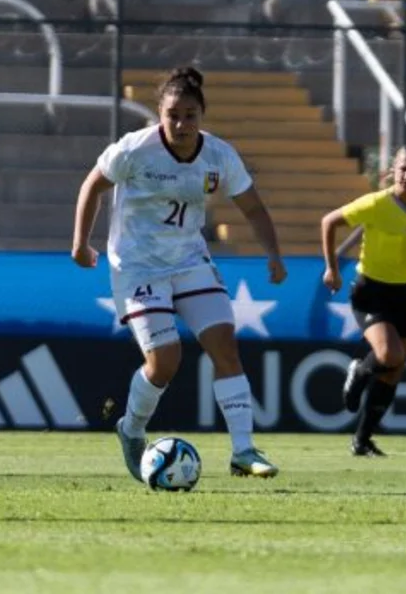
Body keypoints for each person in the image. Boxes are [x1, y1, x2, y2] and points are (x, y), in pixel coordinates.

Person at [71, 66, 287, 480]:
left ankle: (244, 450)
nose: (182, 123)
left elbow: (254, 208)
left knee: (225, 345)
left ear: (201, 115)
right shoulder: (134, 149)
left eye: (190, 114)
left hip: (189, 262)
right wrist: (81, 242)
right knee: (166, 361)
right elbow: (93, 185)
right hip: (137, 268)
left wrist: (274, 255)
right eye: (173, 114)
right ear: (159, 114)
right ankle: (131, 428)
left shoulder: (219, 156)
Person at [320, 146, 406, 457]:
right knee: (389, 354)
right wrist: (331, 267)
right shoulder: (377, 204)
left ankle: (362, 440)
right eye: (403, 169)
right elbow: (329, 222)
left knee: (395, 369)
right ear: (393, 171)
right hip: (371, 291)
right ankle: (359, 370)